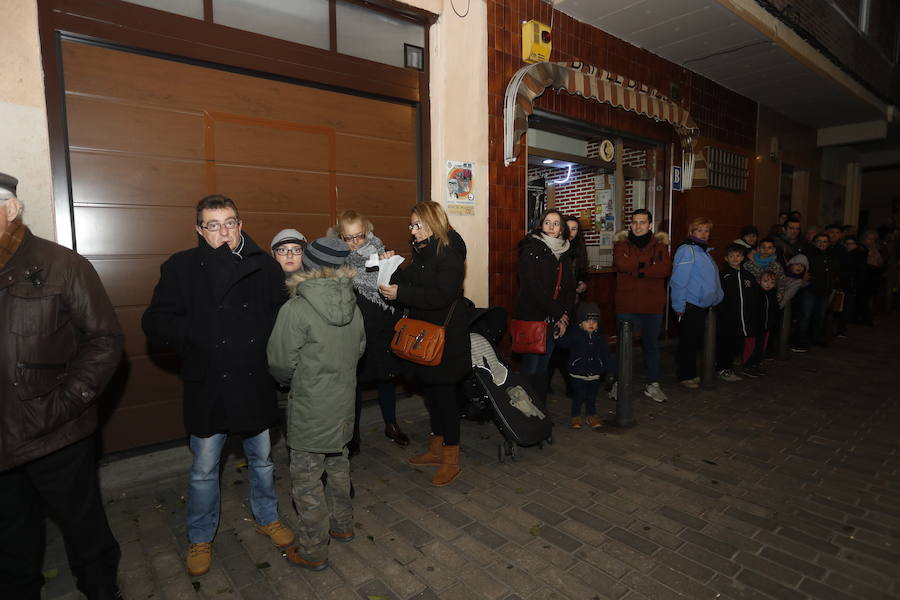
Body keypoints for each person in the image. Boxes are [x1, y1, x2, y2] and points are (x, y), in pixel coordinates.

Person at [142, 195, 294, 577]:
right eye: (213, 225)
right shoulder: (181, 267)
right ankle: (200, 536)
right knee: (204, 469)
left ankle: (268, 516)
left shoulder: (265, 267)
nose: (223, 232)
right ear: (199, 230)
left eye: (230, 223)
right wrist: (198, 335)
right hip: (208, 383)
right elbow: (155, 322)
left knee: (261, 460)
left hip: (253, 382)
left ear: (240, 224)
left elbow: (282, 320)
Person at [0, 173, 124, 600]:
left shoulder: (63, 265)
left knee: (84, 529)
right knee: (12, 543)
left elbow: (105, 341)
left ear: (11, 210)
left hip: (56, 432)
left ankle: (102, 590)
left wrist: (63, 403)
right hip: (1, 438)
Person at [266, 237, 365, 571]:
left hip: (310, 407)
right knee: (338, 465)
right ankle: (344, 525)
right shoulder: (353, 304)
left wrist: (296, 381)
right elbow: (360, 349)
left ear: (309, 265)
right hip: (342, 405)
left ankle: (312, 550)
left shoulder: (296, 309)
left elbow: (280, 362)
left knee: (307, 479)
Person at [378, 201, 469, 487]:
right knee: (431, 395)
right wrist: (392, 267)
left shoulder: (449, 253)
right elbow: (414, 283)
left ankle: (451, 459)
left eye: (416, 225)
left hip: (444, 339)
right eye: (411, 225)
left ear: (431, 225)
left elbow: (440, 296)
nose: (412, 230)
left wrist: (401, 293)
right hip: (424, 335)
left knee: (444, 398)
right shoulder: (424, 251)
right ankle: (435, 449)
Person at [330, 210, 409, 451]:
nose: (354, 243)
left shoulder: (383, 255)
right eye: (347, 238)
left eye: (359, 236)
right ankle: (352, 435)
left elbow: (402, 291)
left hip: (383, 330)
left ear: (368, 232)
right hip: (355, 334)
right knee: (353, 385)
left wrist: (391, 267)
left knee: (386, 380)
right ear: (340, 238)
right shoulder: (338, 262)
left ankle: (391, 424)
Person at [612, 209, 672, 402]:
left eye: (642, 222)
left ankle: (652, 384)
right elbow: (622, 264)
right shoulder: (621, 244)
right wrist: (648, 264)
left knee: (652, 346)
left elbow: (664, 269)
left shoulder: (660, 246)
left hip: (652, 305)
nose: (638, 226)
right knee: (623, 347)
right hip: (626, 304)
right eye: (635, 222)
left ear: (650, 225)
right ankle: (618, 383)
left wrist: (638, 268)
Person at [513, 209, 577, 386]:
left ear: (562, 228)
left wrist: (564, 318)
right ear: (541, 225)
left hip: (554, 321)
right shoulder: (531, 249)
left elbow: (569, 290)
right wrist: (559, 313)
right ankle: (523, 408)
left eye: (556, 223)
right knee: (530, 368)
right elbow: (532, 287)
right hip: (534, 317)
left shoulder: (564, 252)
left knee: (543, 369)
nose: (551, 227)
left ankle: (539, 409)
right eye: (547, 222)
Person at [670, 217, 724, 389]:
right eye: (700, 230)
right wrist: (679, 306)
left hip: (703, 305)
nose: (704, 233)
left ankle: (690, 372)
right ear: (692, 232)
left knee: (695, 341)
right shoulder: (688, 250)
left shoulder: (704, 251)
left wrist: (717, 297)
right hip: (691, 303)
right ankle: (686, 375)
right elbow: (679, 281)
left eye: (707, 230)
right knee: (689, 342)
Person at [555, 303, 612, 429]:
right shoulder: (574, 334)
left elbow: (605, 353)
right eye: (587, 321)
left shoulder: (600, 337)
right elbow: (563, 344)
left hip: (594, 372)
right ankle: (575, 416)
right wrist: (558, 334)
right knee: (579, 396)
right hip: (578, 372)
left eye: (594, 321)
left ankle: (591, 415)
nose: (591, 324)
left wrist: (608, 368)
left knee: (591, 396)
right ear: (580, 323)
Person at [716, 244, 759, 382]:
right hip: (728, 319)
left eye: (738, 256)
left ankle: (729, 366)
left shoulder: (748, 276)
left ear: (742, 258)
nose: (735, 258)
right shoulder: (723, 275)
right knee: (725, 345)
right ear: (726, 258)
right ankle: (723, 369)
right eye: (732, 256)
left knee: (737, 344)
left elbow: (753, 296)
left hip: (744, 319)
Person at [796, 233, 834, 349]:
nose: (821, 243)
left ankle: (816, 338)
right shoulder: (808, 255)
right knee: (805, 316)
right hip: (810, 290)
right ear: (814, 242)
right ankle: (801, 340)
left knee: (820, 316)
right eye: (819, 241)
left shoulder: (830, 256)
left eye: (824, 241)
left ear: (828, 243)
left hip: (825, 291)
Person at [743, 270, 779, 375]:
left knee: (761, 347)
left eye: (772, 282)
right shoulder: (755, 294)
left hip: (766, 327)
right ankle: (748, 366)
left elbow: (775, 310)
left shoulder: (772, 294)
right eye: (766, 281)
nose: (768, 284)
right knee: (751, 347)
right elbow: (749, 310)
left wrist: (773, 323)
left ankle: (756, 364)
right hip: (754, 327)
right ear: (759, 281)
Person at [834, 236, 864, 337]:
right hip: (842, 284)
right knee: (840, 307)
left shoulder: (858, 255)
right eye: (847, 243)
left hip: (850, 285)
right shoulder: (842, 254)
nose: (849, 246)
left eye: (851, 244)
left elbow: (857, 272)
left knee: (845, 307)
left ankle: (842, 329)